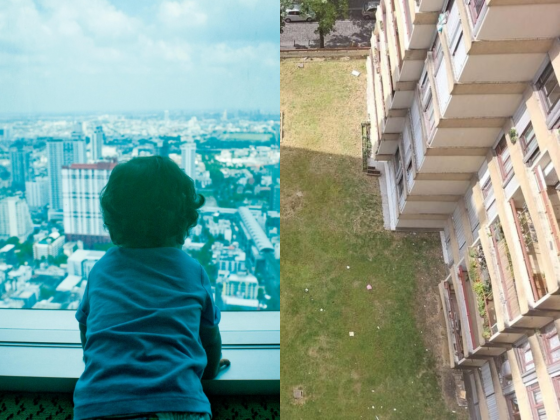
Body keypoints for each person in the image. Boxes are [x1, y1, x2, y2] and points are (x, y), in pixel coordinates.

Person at [73, 156, 230, 420]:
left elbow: (86, 327)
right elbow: (210, 338)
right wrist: (211, 370)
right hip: (180, 404)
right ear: (185, 220)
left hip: (98, 405)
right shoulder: (192, 271)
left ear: (113, 221)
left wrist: (97, 365)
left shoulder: (100, 269)